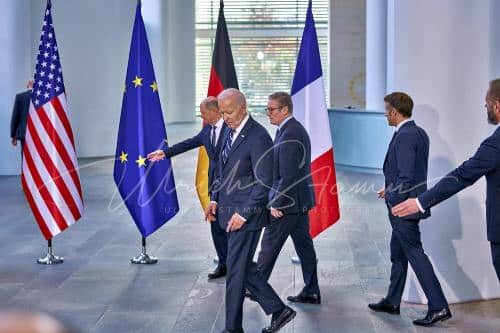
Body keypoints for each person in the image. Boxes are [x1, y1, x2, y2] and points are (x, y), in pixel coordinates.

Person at [392, 79, 500, 283]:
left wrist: (419, 202)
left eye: (487, 102)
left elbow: (462, 176)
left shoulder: (495, 144)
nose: (485, 106)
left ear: (497, 105)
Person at [206, 88, 295, 333]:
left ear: (244, 108)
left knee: (235, 272)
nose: (226, 117)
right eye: (222, 113)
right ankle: (279, 310)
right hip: (227, 211)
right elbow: (222, 170)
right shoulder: (227, 130)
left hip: (247, 217)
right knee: (244, 267)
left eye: (230, 112)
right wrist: (214, 198)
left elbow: (264, 181)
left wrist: (244, 213)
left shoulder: (259, 137)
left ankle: (232, 329)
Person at [368, 92, 451, 327]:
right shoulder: (418, 132)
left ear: (394, 111)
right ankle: (393, 301)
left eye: (386, 110)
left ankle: (438, 306)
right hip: (407, 201)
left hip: (403, 208)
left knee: (414, 253)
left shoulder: (405, 135)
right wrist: (390, 188)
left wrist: (394, 199)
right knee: (398, 253)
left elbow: (405, 175)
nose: (385, 114)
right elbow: (410, 173)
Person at [147, 96, 228, 279]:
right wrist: (165, 153)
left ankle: (238, 267)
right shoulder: (208, 130)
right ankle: (224, 264)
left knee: (230, 227)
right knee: (215, 225)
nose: (202, 116)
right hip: (213, 185)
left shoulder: (231, 129)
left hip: (231, 187)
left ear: (215, 111)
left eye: (204, 112)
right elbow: (190, 143)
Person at [253, 92, 320, 304]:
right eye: (267, 109)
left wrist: (275, 203)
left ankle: (257, 289)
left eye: (272, 109)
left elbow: (288, 175)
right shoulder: (288, 129)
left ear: (285, 110)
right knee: (304, 248)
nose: (268, 113)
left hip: (287, 204)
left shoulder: (291, 133)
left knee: (268, 247)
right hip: (298, 202)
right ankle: (311, 290)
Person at [10, 80, 33, 153]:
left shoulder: (20, 97)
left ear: (27, 86)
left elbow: (15, 117)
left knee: (25, 159)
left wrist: (13, 135)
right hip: (39, 132)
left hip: (24, 132)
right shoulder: (40, 98)